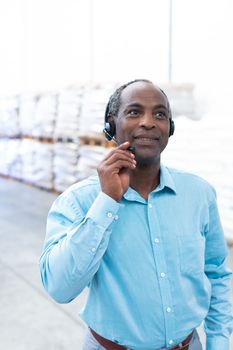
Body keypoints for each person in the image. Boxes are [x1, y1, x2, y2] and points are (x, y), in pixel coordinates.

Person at [39, 79, 233, 350]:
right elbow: (60, 287)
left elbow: (216, 273)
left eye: (160, 114)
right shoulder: (79, 200)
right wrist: (107, 201)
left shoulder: (199, 194)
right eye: (134, 112)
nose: (148, 122)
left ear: (170, 128)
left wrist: (219, 342)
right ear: (111, 124)